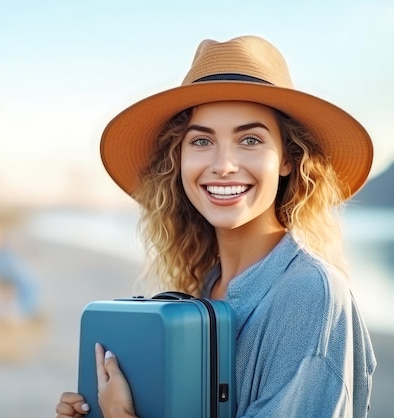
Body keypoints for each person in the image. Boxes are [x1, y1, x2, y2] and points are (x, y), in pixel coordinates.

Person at [56, 35, 377, 418]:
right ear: (178, 160)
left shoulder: (310, 295)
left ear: (288, 160)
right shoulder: (205, 288)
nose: (223, 164)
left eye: (251, 140)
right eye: (202, 141)